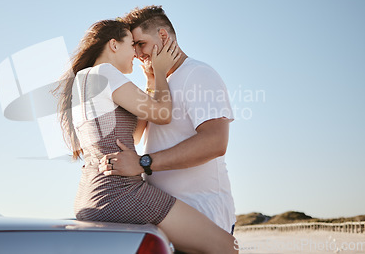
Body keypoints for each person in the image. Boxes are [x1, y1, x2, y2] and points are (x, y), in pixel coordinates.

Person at [55, 19, 237, 254]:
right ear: (113, 45)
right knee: (227, 248)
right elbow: (162, 114)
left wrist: (151, 79)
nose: (137, 53)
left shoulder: (84, 79)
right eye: (133, 45)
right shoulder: (106, 73)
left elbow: (136, 134)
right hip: (122, 192)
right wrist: (160, 72)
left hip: (89, 195)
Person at [99, 5, 237, 235]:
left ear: (163, 35)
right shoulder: (159, 83)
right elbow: (135, 136)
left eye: (140, 44)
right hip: (164, 218)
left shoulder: (198, 74)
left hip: (202, 214)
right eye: (133, 47)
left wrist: (144, 163)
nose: (136, 53)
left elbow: (216, 142)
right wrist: (152, 82)